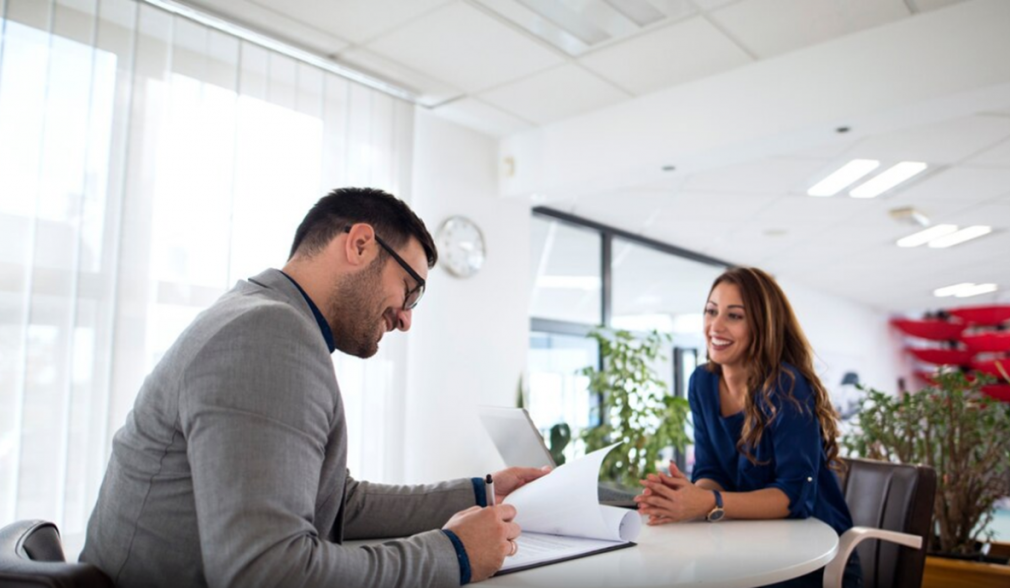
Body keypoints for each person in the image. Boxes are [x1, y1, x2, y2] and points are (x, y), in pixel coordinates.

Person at [80, 187, 547, 588]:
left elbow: (338, 500)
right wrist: (454, 554)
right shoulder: (267, 335)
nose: (406, 319)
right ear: (361, 244)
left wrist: (482, 494)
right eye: (410, 290)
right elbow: (265, 571)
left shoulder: (261, 317)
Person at [633, 267, 861, 588]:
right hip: (747, 536)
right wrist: (688, 497)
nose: (716, 326)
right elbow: (711, 467)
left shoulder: (786, 385)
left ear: (762, 326)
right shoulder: (702, 381)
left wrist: (709, 503)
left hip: (813, 552)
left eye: (734, 316)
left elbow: (794, 495)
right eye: (711, 311)